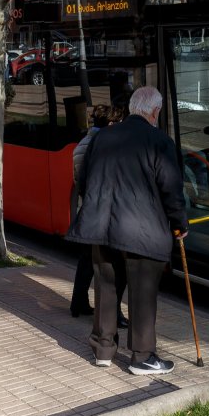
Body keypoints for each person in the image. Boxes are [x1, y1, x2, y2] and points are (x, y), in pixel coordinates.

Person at [67, 86, 188, 376]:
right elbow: (171, 189)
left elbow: (83, 180)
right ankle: (142, 357)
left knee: (107, 288)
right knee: (142, 292)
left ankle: (103, 350)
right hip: (141, 232)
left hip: (102, 228)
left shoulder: (102, 137)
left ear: (133, 108)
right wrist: (179, 224)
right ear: (155, 112)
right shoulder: (159, 141)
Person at [69, 104, 128, 329]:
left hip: (87, 212)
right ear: (112, 124)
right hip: (100, 212)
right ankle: (114, 313)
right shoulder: (101, 145)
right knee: (114, 265)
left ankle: (79, 303)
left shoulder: (83, 144)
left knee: (86, 260)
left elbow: (79, 180)